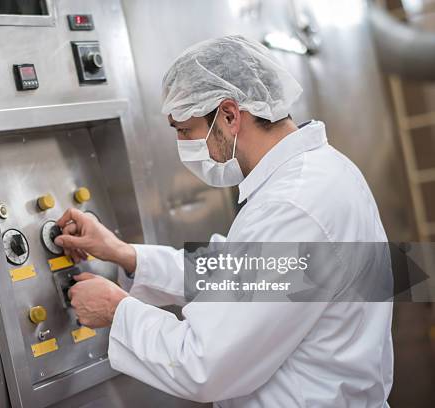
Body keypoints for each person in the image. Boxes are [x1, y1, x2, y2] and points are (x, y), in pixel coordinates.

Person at [54, 36, 393, 407]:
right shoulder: (320, 173)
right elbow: (241, 275)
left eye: (184, 131)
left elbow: (204, 364)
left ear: (229, 115)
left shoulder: (291, 205)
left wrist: (117, 311)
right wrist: (126, 254)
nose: (183, 145)